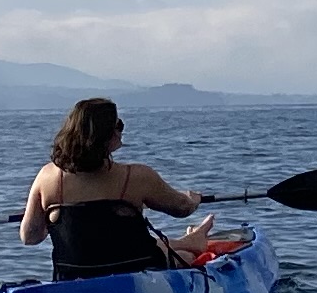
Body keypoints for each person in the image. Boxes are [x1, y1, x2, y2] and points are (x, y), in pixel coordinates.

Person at [17, 97, 230, 278]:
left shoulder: (46, 177)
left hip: (75, 275)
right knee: (187, 259)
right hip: (136, 271)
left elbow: (30, 237)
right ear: (108, 136)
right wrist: (193, 199)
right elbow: (181, 209)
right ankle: (191, 244)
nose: (121, 130)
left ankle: (189, 241)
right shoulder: (136, 177)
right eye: (118, 126)